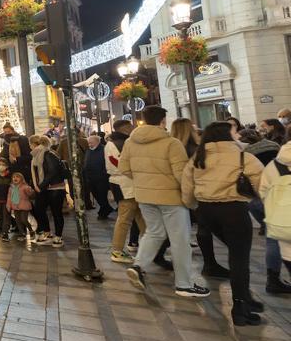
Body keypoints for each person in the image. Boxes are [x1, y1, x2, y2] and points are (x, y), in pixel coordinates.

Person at [120, 106, 209, 298]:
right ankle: (184, 284)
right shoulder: (171, 143)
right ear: (162, 121)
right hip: (170, 197)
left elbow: (124, 168)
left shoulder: (130, 142)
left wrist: (143, 181)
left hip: (144, 195)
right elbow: (181, 175)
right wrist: (191, 199)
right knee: (180, 240)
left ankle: (138, 265)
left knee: (154, 232)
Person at [182, 122, 265, 325]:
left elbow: (187, 187)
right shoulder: (243, 156)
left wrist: (193, 205)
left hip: (206, 211)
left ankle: (245, 297)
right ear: (229, 135)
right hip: (234, 210)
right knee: (239, 259)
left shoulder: (198, 157)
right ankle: (239, 307)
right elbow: (263, 184)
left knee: (235, 253)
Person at [106, 120, 145, 263]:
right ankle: (117, 250)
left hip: (127, 184)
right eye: (130, 127)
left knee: (140, 216)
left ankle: (151, 246)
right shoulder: (117, 144)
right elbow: (120, 164)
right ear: (125, 128)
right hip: (125, 184)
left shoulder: (118, 142)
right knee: (125, 217)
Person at [260, 138, 291, 294]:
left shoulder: (274, 164)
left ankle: (273, 278)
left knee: (273, 242)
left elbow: (263, 192)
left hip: (281, 222)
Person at [29, 135, 66, 246]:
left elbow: (52, 172)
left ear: (35, 144)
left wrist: (41, 186)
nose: (29, 146)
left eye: (30, 144)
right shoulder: (36, 155)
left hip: (55, 188)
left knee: (56, 213)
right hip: (43, 188)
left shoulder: (49, 154)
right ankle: (47, 232)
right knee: (38, 209)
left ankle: (58, 236)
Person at [83, 134, 113, 219]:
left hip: (101, 178)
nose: (89, 144)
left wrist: (105, 174)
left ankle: (103, 212)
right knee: (96, 195)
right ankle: (106, 208)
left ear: (97, 142)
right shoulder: (89, 150)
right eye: (88, 143)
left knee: (102, 195)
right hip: (90, 178)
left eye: (91, 142)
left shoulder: (104, 149)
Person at [6, 172, 35, 243]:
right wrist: (8, 205)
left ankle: (31, 230)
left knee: (23, 220)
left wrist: (30, 190)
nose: (15, 178)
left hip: (24, 206)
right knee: (18, 221)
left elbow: (31, 193)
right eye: (14, 177)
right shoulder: (11, 188)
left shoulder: (25, 187)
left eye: (17, 177)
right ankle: (22, 234)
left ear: (22, 179)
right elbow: (9, 197)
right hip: (15, 207)